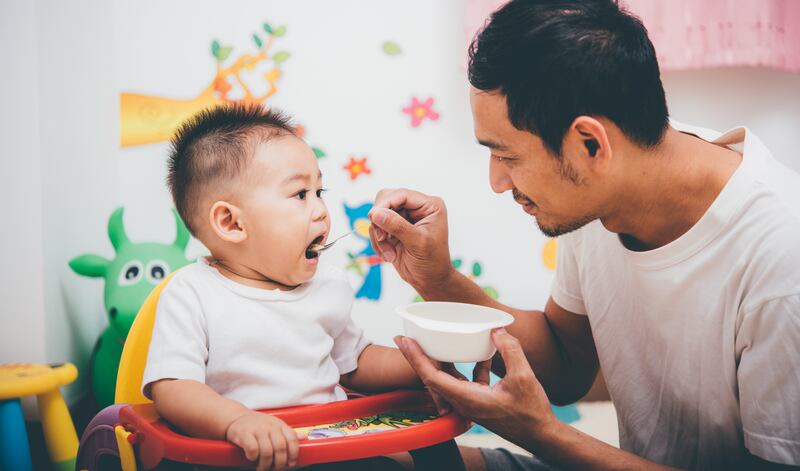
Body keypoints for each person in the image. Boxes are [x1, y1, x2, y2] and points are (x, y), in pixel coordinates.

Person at [367, 0, 800, 469]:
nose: (497, 183)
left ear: (590, 144)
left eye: (507, 157)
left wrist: (541, 433)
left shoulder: (781, 259)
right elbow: (566, 365)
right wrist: (438, 279)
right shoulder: (606, 188)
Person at [141, 104, 420, 471]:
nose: (321, 210)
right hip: (241, 456)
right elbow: (174, 388)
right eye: (300, 195)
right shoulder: (192, 293)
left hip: (329, 444)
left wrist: (423, 363)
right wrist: (236, 421)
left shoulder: (327, 287)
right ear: (231, 223)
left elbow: (356, 362)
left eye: (320, 191)